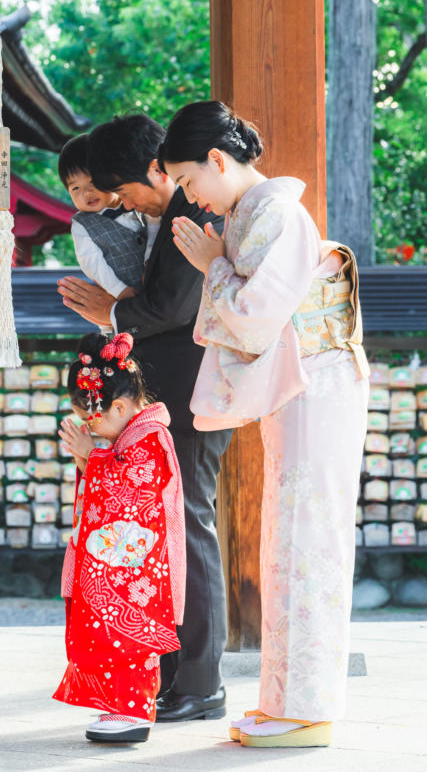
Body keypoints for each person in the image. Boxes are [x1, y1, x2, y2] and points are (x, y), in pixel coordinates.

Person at [159, 100, 369, 749]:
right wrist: (220, 260)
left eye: (190, 182)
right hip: (299, 389)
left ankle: (307, 709)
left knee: (309, 541)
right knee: (286, 541)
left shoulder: (274, 213)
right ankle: (286, 703)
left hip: (317, 381)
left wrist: (210, 266)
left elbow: (252, 316)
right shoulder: (257, 214)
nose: (192, 199)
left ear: (217, 161)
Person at [57, 114, 233, 723]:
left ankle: (200, 681)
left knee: (189, 524)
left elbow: (170, 305)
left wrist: (112, 309)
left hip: (192, 390)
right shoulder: (165, 216)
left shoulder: (193, 214)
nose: (123, 204)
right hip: (171, 390)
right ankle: (171, 672)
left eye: (125, 190)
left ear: (158, 170)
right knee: (164, 532)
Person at [53, 331, 186, 743]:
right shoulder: (131, 435)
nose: (92, 426)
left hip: (134, 566)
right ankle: (114, 705)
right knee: (107, 630)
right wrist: (92, 453)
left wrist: (87, 454)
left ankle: (131, 711)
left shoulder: (150, 439)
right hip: (117, 562)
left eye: (94, 418)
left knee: (128, 632)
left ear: (122, 406)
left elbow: (130, 495)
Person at [58, 133, 147, 300]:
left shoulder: (137, 201)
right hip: (122, 294)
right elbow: (92, 263)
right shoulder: (82, 225)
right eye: (75, 188)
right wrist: (118, 290)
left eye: (92, 182)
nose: (86, 192)